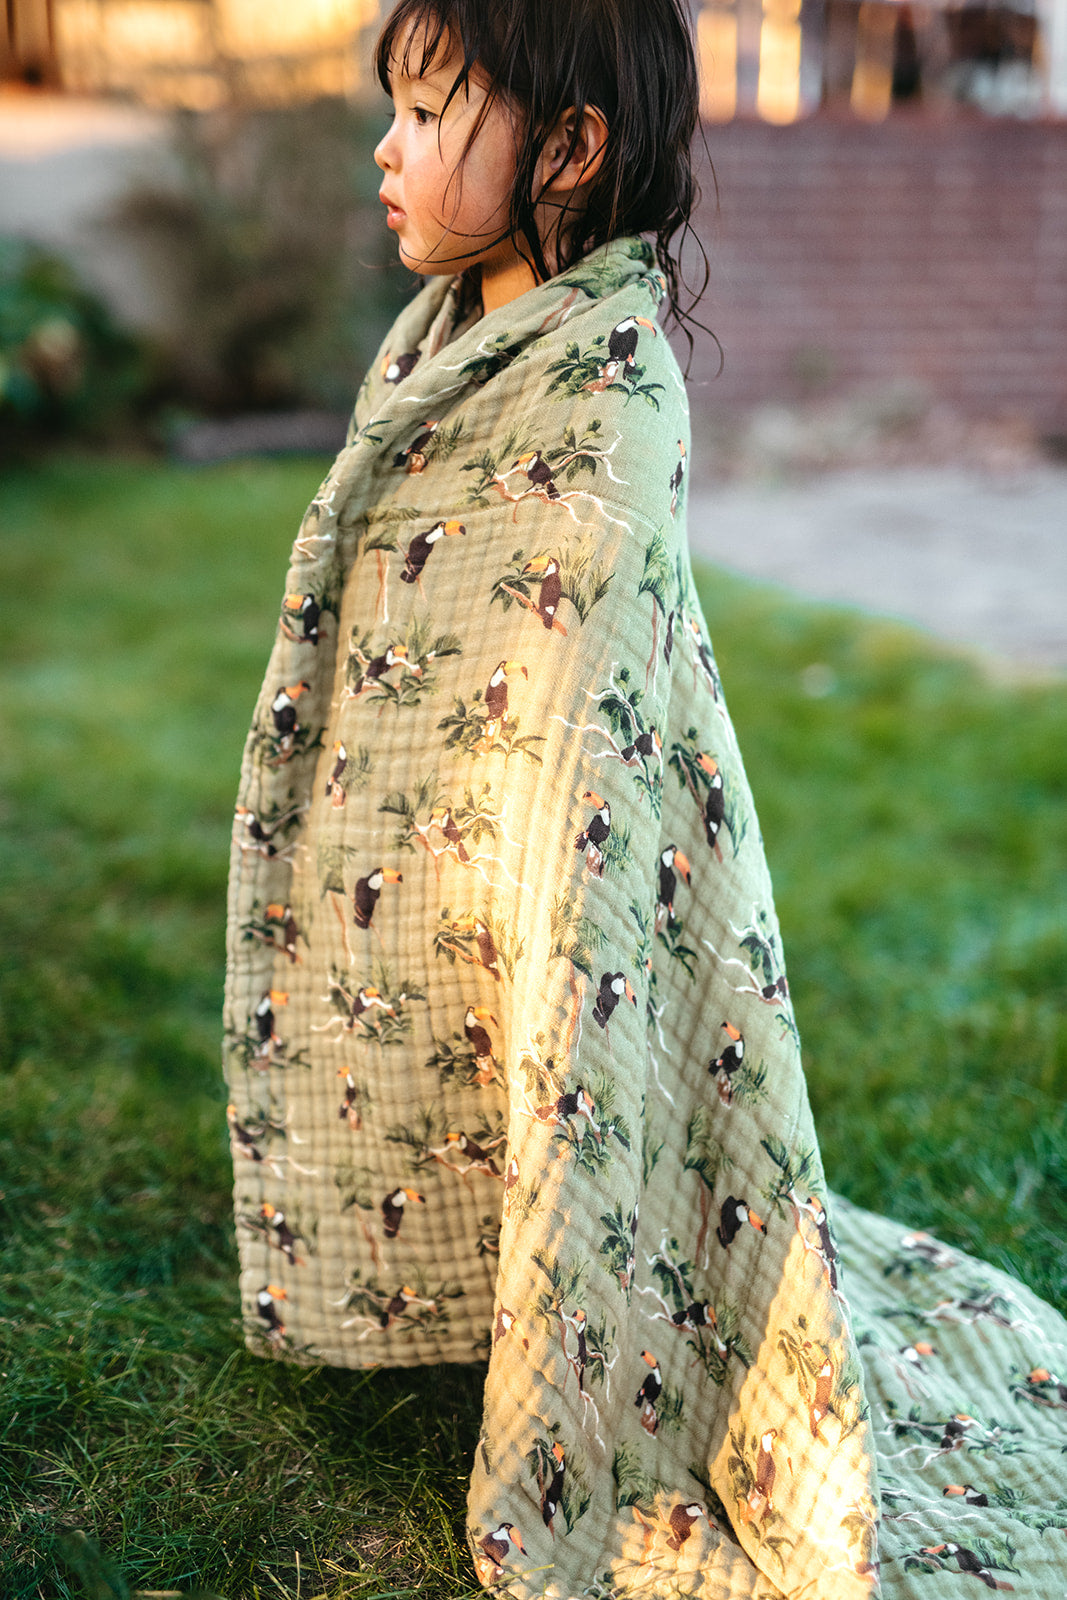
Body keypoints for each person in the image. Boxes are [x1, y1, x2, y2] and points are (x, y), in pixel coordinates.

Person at [224, 2, 1067, 1595]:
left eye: (426, 114)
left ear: (570, 148)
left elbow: (575, 726)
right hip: (459, 840)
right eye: (391, 111)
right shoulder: (451, 338)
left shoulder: (607, 404)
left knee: (555, 1005)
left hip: (591, 868)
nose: (385, 150)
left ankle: (572, 1312)